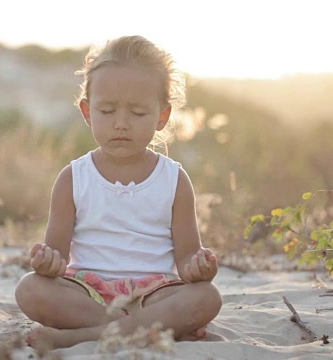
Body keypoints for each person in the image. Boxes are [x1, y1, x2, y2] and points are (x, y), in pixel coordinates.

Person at [14, 35, 222, 350]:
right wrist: (47, 262)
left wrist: (198, 266)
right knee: (29, 290)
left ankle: (85, 336)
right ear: (87, 111)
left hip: (154, 296)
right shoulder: (73, 178)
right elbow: (56, 255)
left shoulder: (174, 179)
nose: (121, 124)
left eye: (137, 113)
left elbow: (187, 256)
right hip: (87, 294)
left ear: (162, 116)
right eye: (107, 111)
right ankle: (145, 331)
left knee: (207, 297)